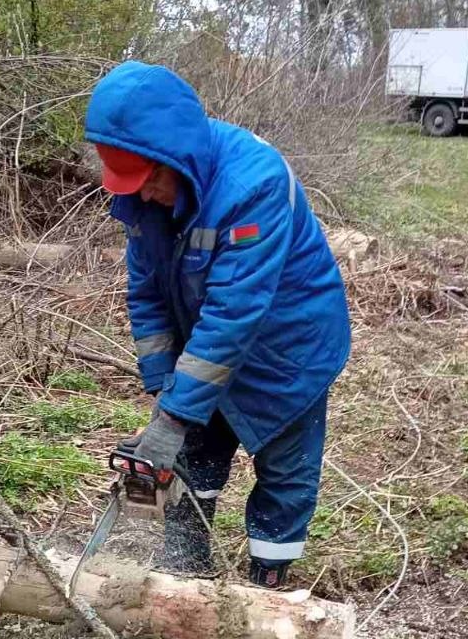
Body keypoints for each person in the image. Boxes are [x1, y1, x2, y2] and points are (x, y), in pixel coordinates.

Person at [84, 60, 351, 588]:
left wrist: (176, 414)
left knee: (284, 469)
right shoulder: (143, 202)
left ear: (175, 156)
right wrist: (166, 392)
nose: (140, 196)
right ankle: (187, 562)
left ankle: (265, 586)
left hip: (287, 349)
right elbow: (146, 295)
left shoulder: (254, 186)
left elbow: (234, 315)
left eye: (148, 180)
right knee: (195, 452)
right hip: (208, 343)